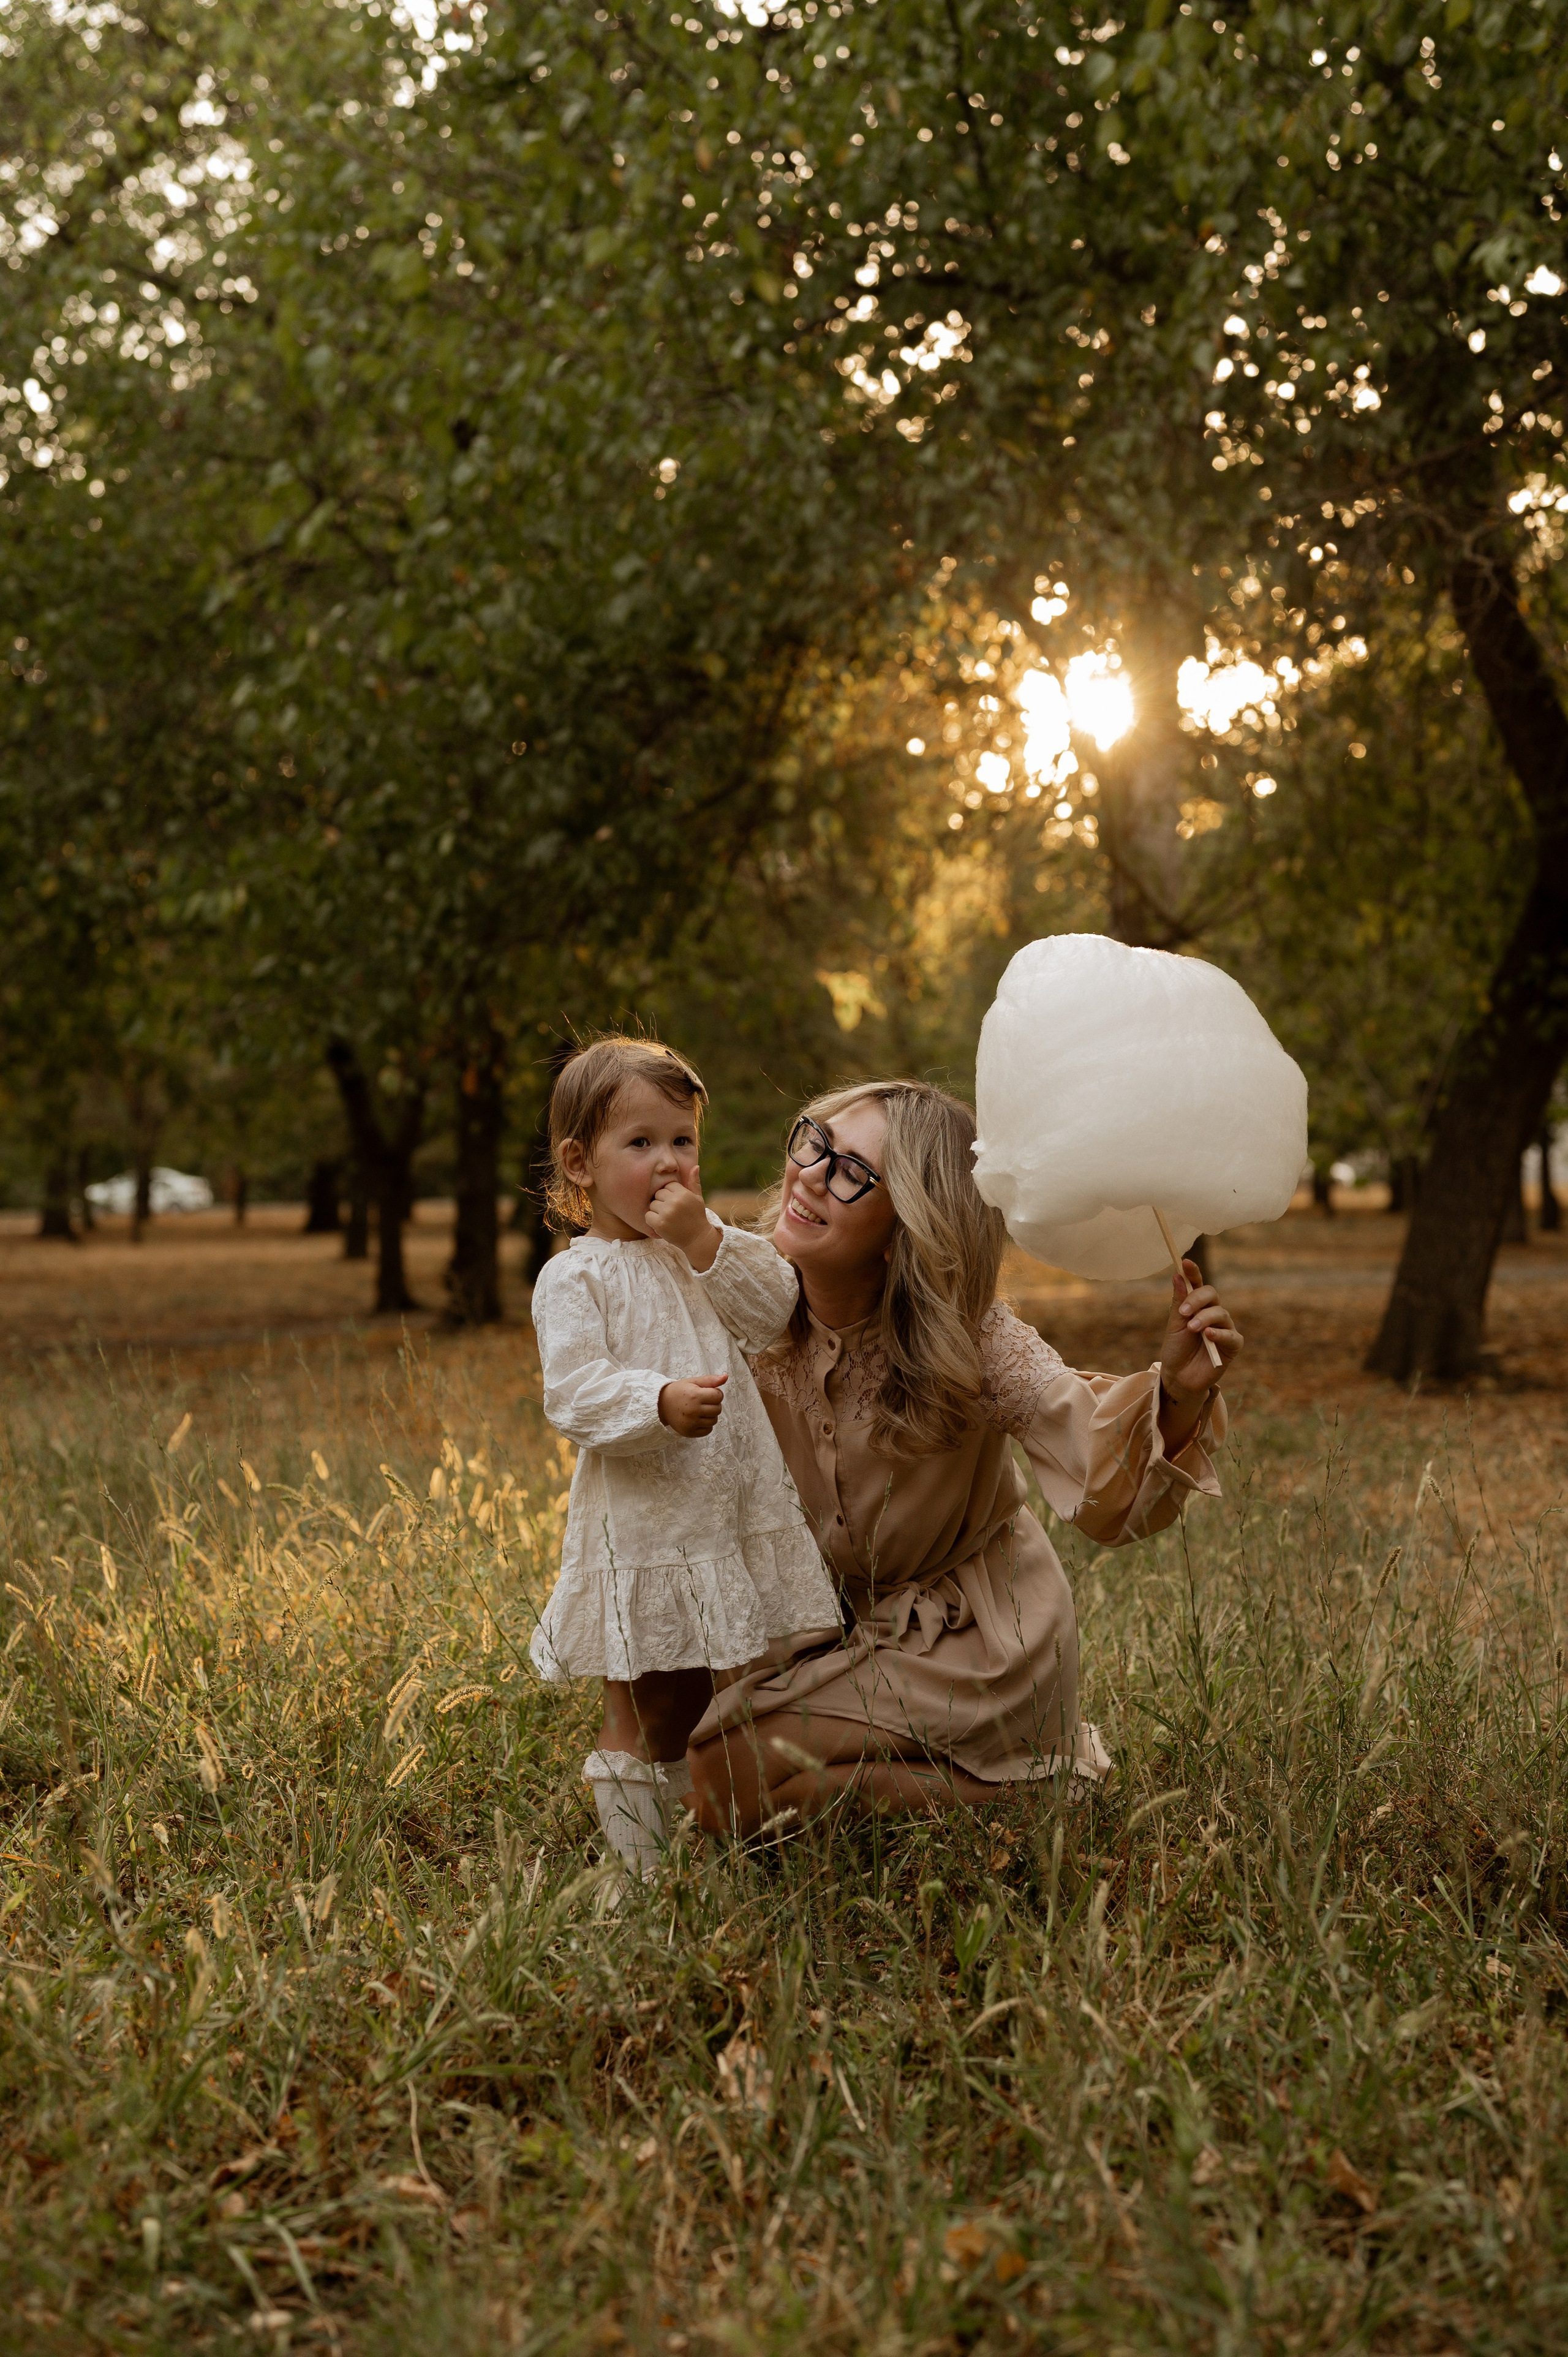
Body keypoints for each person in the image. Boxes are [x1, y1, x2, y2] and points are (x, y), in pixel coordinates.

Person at [688, 1080, 1242, 1835]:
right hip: (824, 1626)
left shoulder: (971, 1339)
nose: (811, 1172)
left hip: (973, 1638)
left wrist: (1176, 1392)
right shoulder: (742, 1306)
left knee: (731, 1780)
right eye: (813, 1140)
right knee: (725, 1780)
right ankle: (924, 1787)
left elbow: (1104, 1485)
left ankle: (1041, 1793)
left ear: (903, 1226)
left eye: (852, 1171)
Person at [529, 1037, 839, 1874]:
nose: (669, 1163)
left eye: (683, 1141)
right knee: (644, 1703)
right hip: (645, 1526)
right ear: (579, 1163)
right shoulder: (577, 1278)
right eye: (641, 1144)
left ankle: (731, 1845)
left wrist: (705, 1238)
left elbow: (775, 1309)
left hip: (731, 1512)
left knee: (732, 1687)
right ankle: (638, 1873)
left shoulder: (705, 1248)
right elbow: (574, 1391)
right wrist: (655, 1401)